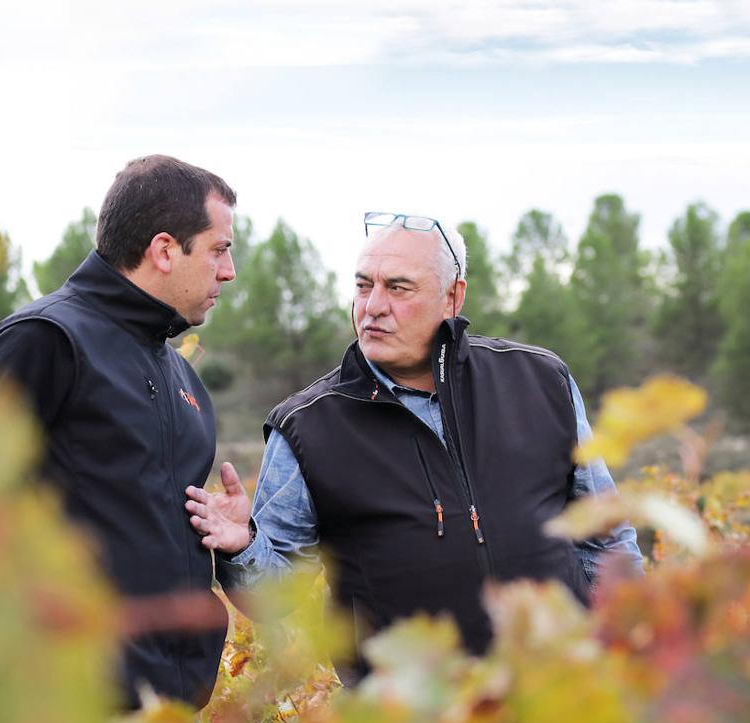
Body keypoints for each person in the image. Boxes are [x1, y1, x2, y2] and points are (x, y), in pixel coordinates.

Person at [186, 211, 641, 681]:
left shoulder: (539, 380)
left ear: (453, 296)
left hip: (560, 699)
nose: (373, 307)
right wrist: (243, 549)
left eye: (398, 288)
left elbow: (605, 536)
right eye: (364, 287)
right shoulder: (308, 425)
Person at [0, 155, 238, 723]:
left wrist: (232, 536)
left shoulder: (183, 382)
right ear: (165, 249)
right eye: (219, 250)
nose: (228, 271)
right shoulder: (46, 341)